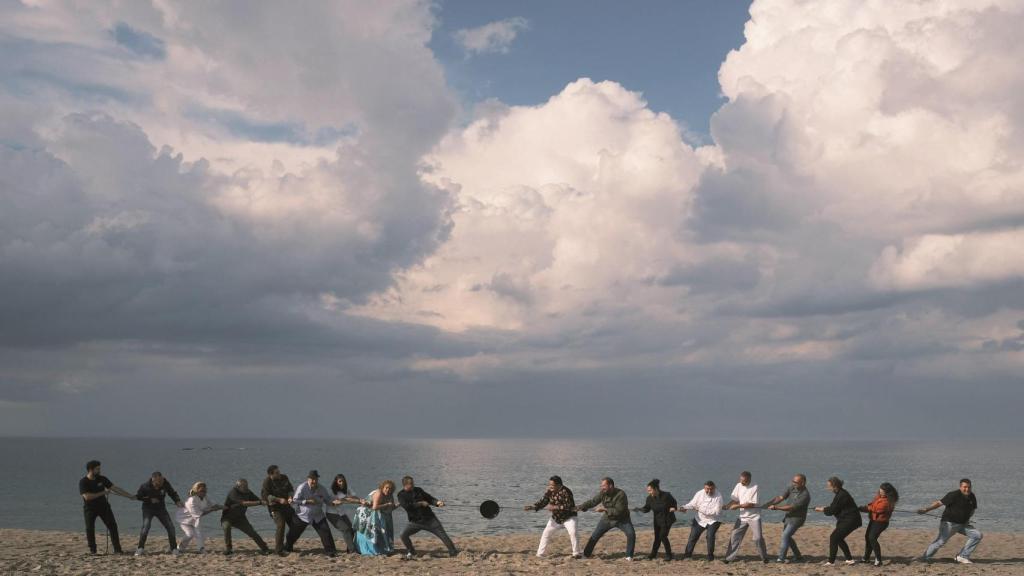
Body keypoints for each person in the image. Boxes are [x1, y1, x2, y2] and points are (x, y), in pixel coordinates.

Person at [918, 478, 983, 564]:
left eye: (969, 487)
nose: (967, 489)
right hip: (949, 524)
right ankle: (925, 557)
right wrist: (926, 509)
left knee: (977, 535)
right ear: (960, 487)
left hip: (963, 524)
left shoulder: (972, 496)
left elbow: (973, 509)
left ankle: (962, 556)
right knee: (940, 542)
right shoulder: (953, 495)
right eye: (965, 487)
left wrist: (967, 519)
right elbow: (939, 503)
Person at [79, 460, 133, 554]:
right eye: (97, 469)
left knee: (112, 526)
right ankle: (93, 550)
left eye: (99, 468)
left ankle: (117, 550)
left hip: (104, 507)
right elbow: (87, 497)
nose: (99, 471)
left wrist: (129, 496)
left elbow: (115, 488)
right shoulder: (83, 482)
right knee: (89, 528)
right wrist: (103, 492)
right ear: (91, 470)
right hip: (90, 509)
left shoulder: (102, 479)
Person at [397, 476, 458, 558]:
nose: (413, 484)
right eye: (411, 483)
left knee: (443, 535)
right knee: (403, 535)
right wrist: (420, 503)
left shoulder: (418, 490)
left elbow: (429, 498)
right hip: (415, 522)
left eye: (413, 483)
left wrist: (437, 502)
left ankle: (453, 552)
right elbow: (407, 506)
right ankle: (412, 552)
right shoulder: (401, 495)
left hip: (430, 519)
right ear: (405, 484)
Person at [577, 477, 635, 561]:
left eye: (604, 485)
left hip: (622, 519)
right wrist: (581, 506)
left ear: (610, 486)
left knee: (631, 534)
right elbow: (593, 502)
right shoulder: (603, 493)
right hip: (607, 519)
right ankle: (586, 554)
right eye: (601, 486)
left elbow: (619, 511)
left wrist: (604, 509)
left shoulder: (621, 494)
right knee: (595, 535)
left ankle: (629, 556)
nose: (602, 487)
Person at [524, 475, 580, 558]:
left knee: (573, 532)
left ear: (559, 485)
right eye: (549, 484)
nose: (550, 486)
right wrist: (533, 507)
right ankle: (540, 554)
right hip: (556, 518)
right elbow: (543, 501)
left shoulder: (566, 491)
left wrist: (555, 507)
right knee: (546, 533)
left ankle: (576, 553)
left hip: (569, 517)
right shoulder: (550, 491)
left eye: (552, 485)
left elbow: (569, 506)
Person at [286, 470, 337, 557]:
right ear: (308, 479)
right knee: (293, 534)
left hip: (318, 515)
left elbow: (327, 500)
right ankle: (287, 548)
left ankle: (331, 551)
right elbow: (294, 500)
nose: (313, 481)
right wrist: (307, 501)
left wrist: (333, 503)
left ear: (317, 479)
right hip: (302, 516)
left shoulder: (322, 489)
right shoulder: (302, 487)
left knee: (326, 532)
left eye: (315, 479)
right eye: (312, 479)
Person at [813, 476, 861, 566]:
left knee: (834, 537)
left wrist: (821, 509)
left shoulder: (842, 495)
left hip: (851, 520)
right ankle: (849, 559)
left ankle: (831, 562)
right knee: (838, 538)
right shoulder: (840, 494)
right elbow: (834, 507)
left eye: (829, 486)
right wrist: (825, 508)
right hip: (847, 519)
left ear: (835, 486)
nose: (828, 488)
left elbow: (832, 510)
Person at [134, 471, 183, 556]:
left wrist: (177, 501)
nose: (161, 483)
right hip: (148, 509)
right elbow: (138, 497)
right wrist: (150, 499)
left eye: (162, 480)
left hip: (161, 509)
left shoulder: (165, 483)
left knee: (170, 527)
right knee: (146, 526)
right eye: (159, 482)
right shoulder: (145, 486)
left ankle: (174, 548)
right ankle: (140, 548)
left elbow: (172, 493)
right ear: (153, 480)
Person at [723, 471, 768, 564]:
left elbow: (751, 504)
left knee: (758, 538)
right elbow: (735, 499)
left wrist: (737, 506)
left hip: (754, 517)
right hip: (742, 517)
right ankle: (729, 558)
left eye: (744, 481)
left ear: (749, 479)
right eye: (741, 480)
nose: (741, 482)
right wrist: (727, 506)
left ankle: (764, 557)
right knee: (734, 536)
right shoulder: (738, 485)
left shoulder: (755, 487)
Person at [765, 473, 811, 563]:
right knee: (788, 537)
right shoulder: (791, 487)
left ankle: (781, 558)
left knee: (785, 535)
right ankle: (798, 556)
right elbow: (781, 497)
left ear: (803, 483)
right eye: (793, 481)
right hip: (788, 517)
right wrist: (771, 503)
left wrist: (776, 508)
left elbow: (791, 507)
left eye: (796, 482)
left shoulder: (805, 495)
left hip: (797, 519)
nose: (793, 483)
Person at [220, 478, 269, 555]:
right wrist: (259, 502)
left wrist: (265, 501)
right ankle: (228, 549)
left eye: (247, 486)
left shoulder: (248, 492)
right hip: (227, 517)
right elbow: (244, 503)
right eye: (244, 486)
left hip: (240, 518)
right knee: (226, 527)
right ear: (238, 486)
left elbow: (257, 500)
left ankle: (265, 548)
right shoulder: (233, 492)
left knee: (252, 532)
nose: (246, 488)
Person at [679, 480, 724, 561]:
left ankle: (710, 556)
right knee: (693, 537)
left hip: (714, 520)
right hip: (700, 519)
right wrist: (684, 507)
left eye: (711, 489)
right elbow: (692, 504)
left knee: (710, 536)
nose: (709, 491)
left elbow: (716, 512)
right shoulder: (699, 493)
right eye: (707, 489)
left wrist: (700, 509)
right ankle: (687, 555)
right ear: (704, 488)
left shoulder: (719, 496)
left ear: (714, 488)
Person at [634, 479, 677, 561]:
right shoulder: (649, 498)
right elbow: (646, 509)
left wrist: (673, 507)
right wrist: (639, 509)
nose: (649, 492)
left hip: (667, 519)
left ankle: (669, 555)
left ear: (656, 489)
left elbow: (674, 503)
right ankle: (653, 554)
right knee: (657, 538)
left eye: (650, 490)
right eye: (648, 491)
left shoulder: (667, 495)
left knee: (663, 536)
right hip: (657, 520)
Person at [176, 481, 224, 553]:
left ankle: (201, 548)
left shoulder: (205, 497)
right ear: (196, 491)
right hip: (184, 519)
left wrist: (223, 507)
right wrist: (212, 510)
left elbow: (213, 505)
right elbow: (199, 514)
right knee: (190, 534)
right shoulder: (191, 500)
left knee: (199, 532)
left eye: (205, 490)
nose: (204, 492)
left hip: (196, 518)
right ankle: (180, 547)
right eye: (202, 491)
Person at [354, 479, 399, 556]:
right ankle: (369, 548)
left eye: (390, 488)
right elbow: (374, 507)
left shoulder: (390, 495)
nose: (388, 490)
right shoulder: (379, 493)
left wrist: (399, 504)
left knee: (383, 529)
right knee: (371, 530)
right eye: (386, 488)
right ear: (382, 487)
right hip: (367, 512)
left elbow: (391, 508)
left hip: (376, 512)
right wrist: (387, 504)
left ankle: (382, 547)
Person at [261, 465, 298, 556]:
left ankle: (288, 546)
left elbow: (290, 489)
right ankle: (279, 550)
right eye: (277, 473)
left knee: (296, 524)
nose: (279, 474)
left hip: (287, 506)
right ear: (271, 474)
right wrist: (279, 499)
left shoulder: (284, 477)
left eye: (279, 472)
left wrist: (290, 497)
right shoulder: (267, 482)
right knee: (281, 526)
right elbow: (266, 496)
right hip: (275, 508)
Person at [327, 473, 365, 554]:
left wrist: (361, 500)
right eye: (340, 481)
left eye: (343, 481)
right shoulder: (332, 491)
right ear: (336, 482)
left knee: (352, 529)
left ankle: (350, 548)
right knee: (345, 529)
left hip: (341, 513)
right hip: (331, 513)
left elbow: (354, 497)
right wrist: (359, 501)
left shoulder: (347, 488)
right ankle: (352, 550)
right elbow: (347, 500)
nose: (342, 483)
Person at [860, 482, 897, 566]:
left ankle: (878, 560)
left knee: (872, 538)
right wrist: (865, 507)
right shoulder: (879, 496)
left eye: (883, 490)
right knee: (867, 537)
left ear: (887, 492)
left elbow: (875, 509)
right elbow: (873, 504)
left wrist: (863, 508)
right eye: (880, 489)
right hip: (874, 520)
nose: (880, 491)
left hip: (881, 522)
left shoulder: (887, 502)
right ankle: (866, 558)